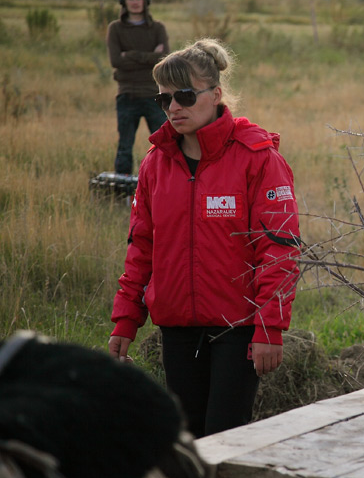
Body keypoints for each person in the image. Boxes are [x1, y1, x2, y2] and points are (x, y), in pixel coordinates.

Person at [108, 38, 301, 438]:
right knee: (189, 441)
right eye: (164, 99)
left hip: (238, 330)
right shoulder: (155, 164)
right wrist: (125, 320)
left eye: (184, 96)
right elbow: (141, 248)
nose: (173, 108)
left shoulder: (258, 158)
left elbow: (279, 250)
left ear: (215, 94)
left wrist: (269, 327)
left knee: (224, 439)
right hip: (177, 330)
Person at [106, 0, 169, 175]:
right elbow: (116, 61)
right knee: (125, 146)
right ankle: (121, 186)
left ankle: (167, 180)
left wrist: (130, 55)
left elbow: (163, 59)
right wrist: (150, 56)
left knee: (166, 144)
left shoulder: (157, 28)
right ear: (123, 2)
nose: (135, 2)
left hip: (154, 95)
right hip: (128, 95)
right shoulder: (115, 29)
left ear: (146, 1)